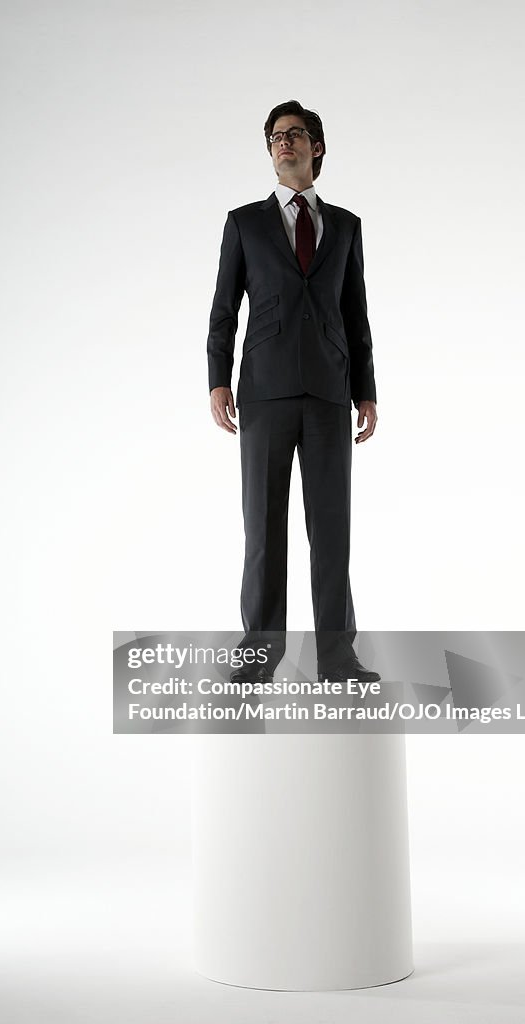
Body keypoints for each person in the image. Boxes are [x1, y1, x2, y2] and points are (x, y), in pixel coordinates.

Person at [206, 100, 380, 684]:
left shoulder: (346, 225)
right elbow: (224, 309)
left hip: (330, 392)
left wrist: (366, 390)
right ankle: (260, 656)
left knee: (331, 530)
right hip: (264, 393)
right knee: (263, 529)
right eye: (276, 136)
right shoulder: (244, 223)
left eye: (296, 134)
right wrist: (217, 380)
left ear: (316, 148)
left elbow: (355, 314)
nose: (284, 142)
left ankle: (337, 658)